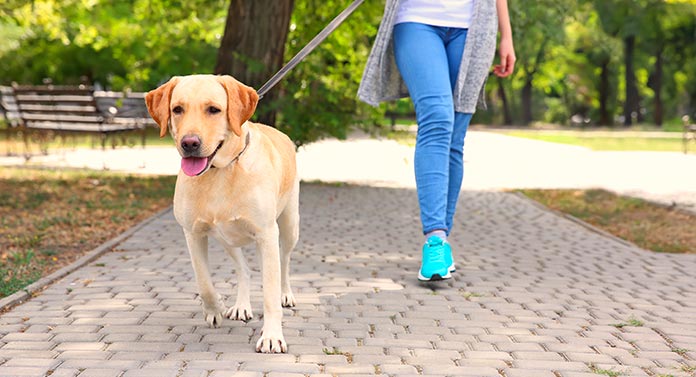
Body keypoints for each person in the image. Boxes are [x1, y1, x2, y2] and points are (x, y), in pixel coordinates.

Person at [358, 0, 516, 281]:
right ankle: (434, 239)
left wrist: (507, 35)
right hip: (417, 19)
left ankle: (442, 241)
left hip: (474, 26)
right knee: (437, 119)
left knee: (455, 137)